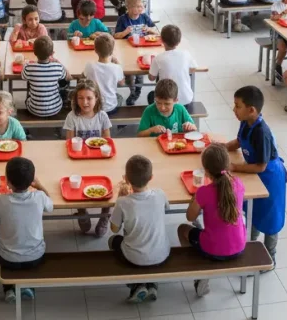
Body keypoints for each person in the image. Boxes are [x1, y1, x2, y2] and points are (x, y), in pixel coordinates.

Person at [0, 156, 53, 302]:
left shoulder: (0, 200)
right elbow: (51, 205)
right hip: (37, 257)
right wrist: (40, 186)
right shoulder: (40, 197)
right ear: (31, 182)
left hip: (8, 259)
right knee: (30, 250)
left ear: (8, 183)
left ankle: (9, 287)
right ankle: (27, 285)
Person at [225, 86, 287, 261]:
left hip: (270, 178)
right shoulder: (245, 122)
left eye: (237, 106)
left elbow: (261, 166)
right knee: (253, 211)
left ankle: (270, 256)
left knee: (271, 218)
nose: (234, 109)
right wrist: (222, 147)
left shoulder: (262, 133)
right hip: (254, 173)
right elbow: (239, 141)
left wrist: (235, 167)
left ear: (251, 110)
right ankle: (250, 246)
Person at [177, 144, 247, 297]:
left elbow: (190, 217)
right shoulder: (238, 183)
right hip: (240, 246)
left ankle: (198, 272)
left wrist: (196, 197)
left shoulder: (204, 192)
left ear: (206, 172)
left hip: (213, 248)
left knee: (182, 229)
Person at [107, 154, 170, 303]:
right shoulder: (160, 194)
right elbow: (166, 208)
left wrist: (119, 199)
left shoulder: (123, 202)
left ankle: (136, 284)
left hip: (134, 258)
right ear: (151, 177)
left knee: (112, 241)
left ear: (126, 179)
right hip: (162, 255)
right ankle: (151, 284)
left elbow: (114, 229)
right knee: (144, 249)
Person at [64, 80, 113, 235]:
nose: (84, 102)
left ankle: (105, 215)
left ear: (96, 98)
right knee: (76, 181)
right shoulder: (72, 117)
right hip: (79, 159)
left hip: (99, 159)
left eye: (89, 98)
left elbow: (108, 142)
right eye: (80, 98)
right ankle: (82, 211)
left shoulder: (102, 116)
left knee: (109, 180)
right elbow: (69, 142)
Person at [22, 36, 68, 118]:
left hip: (33, 109)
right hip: (55, 108)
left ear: (34, 52)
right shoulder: (58, 67)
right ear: (52, 53)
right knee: (61, 86)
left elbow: (23, 76)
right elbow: (68, 77)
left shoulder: (29, 67)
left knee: (29, 87)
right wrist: (58, 62)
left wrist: (25, 64)